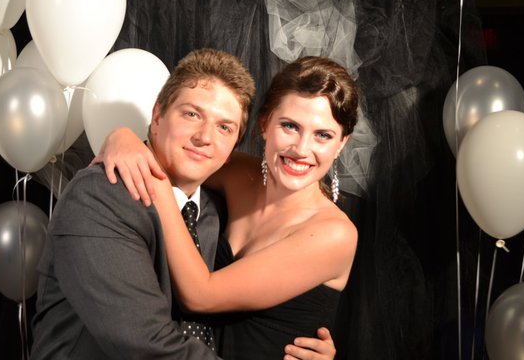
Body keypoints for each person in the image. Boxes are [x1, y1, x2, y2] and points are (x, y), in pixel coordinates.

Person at [30, 48, 335, 359]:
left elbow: (231, 323)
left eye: (224, 127)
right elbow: (147, 344)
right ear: (158, 116)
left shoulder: (212, 212)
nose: (205, 137)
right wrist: (123, 135)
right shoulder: (100, 197)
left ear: (232, 149)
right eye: (192, 114)